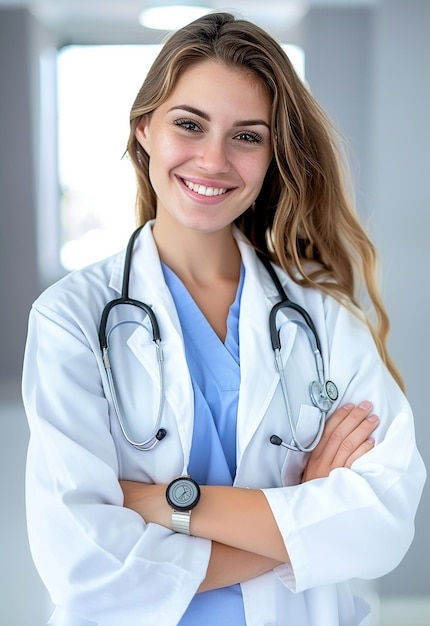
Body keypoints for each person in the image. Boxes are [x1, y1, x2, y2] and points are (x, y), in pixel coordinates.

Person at [22, 12, 425, 626]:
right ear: (143, 133)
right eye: (189, 125)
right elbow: (86, 567)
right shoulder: (71, 318)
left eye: (247, 136)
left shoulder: (320, 319)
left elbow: (382, 524)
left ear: (271, 157)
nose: (213, 161)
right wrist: (299, 513)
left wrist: (170, 506)